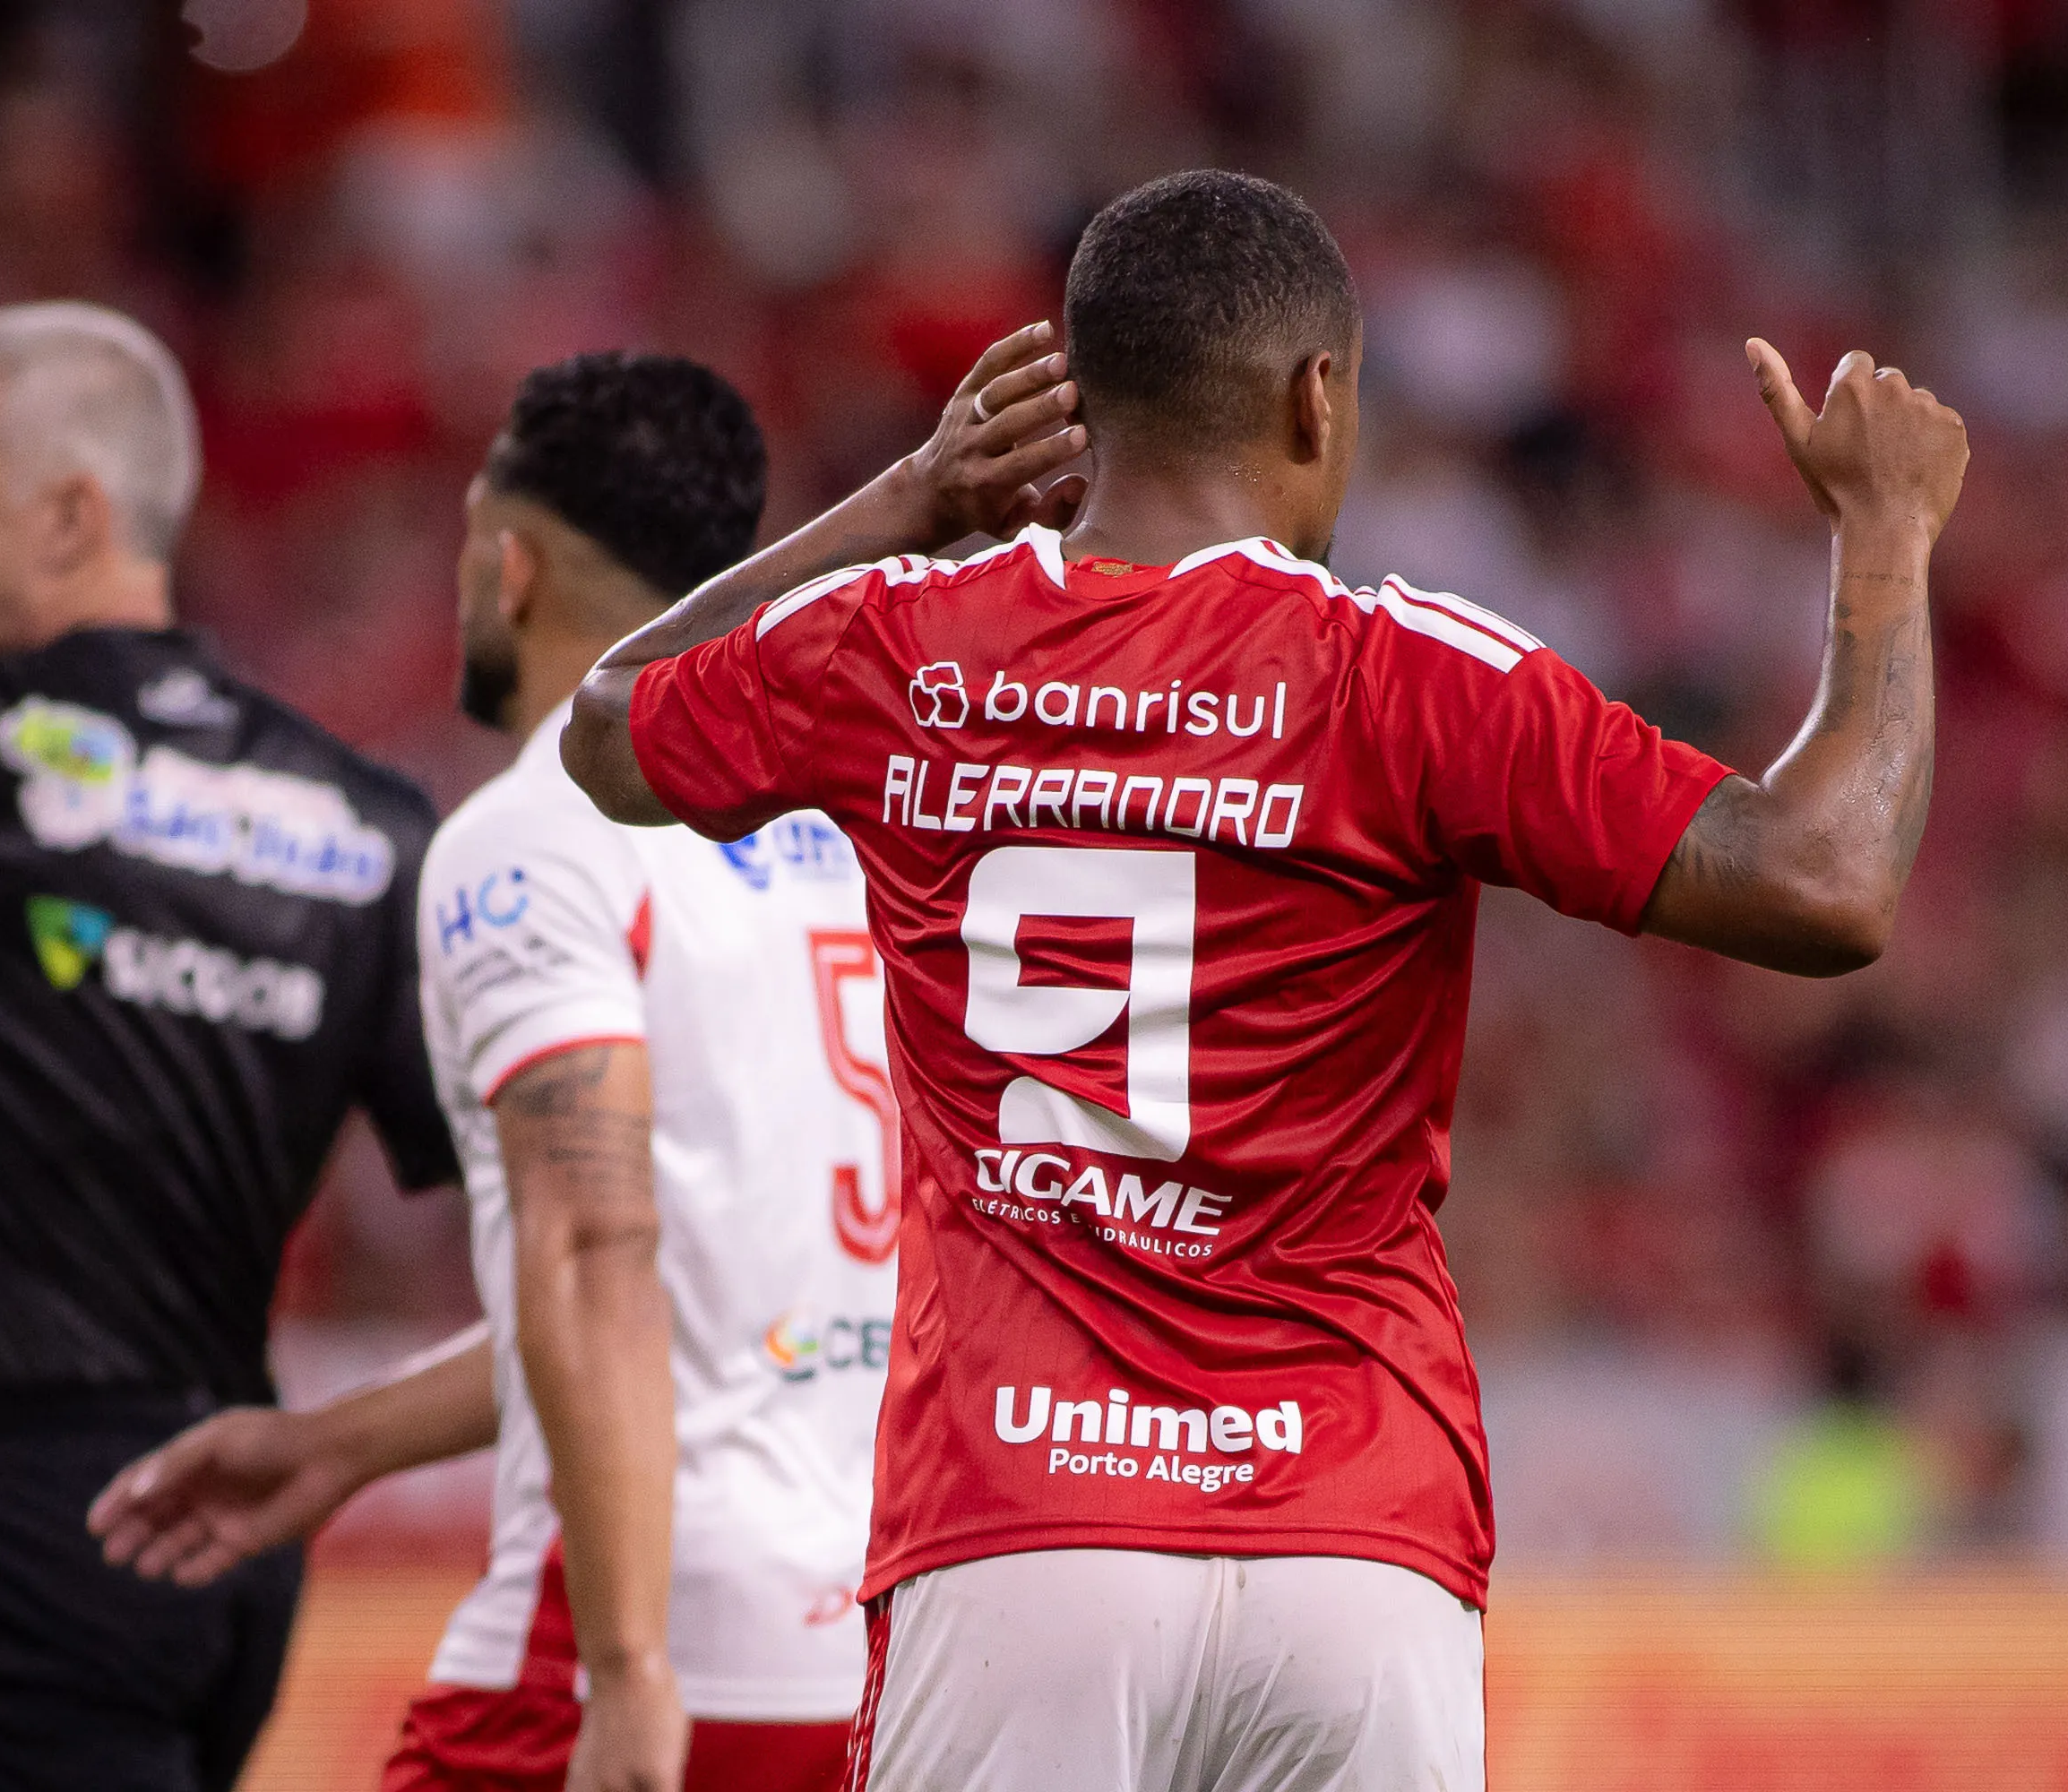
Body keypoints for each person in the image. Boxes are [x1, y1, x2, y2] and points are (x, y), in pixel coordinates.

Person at [563, 170, 1968, 1792]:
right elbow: (1827, 878)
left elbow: (612, 727)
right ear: (1319, 397)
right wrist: (1887, 538)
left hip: (1019, 1531)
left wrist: (906, 500)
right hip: (1352, 1543)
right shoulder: (1407, 671)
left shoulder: (901, 644)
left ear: (1079, 405)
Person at [89, 332, 1088, 1792]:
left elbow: (592, 1247)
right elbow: (698, 1284)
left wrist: (624, 1670)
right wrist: (346, 1446)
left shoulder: (525, 834)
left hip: (643, 1636)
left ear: (512, 567)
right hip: (892, 1642)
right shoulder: (862, 837)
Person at [0, 299, 461, 1790]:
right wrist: (357, 1441)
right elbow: (552, 1227)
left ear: (66, 513)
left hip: (3, 1526)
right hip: (226, 1535)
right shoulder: (369, 826)